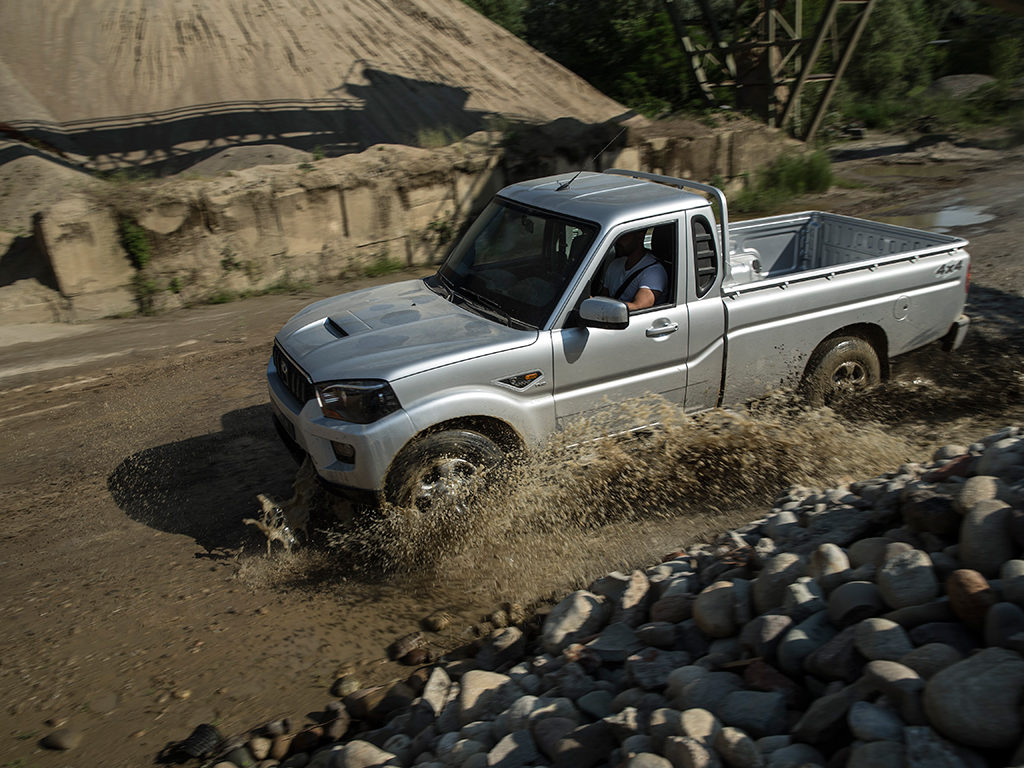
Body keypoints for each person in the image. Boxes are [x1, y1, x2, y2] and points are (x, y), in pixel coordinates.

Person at [601, 229, 668, 311]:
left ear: (640, 237)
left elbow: (639, 306)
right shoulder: (615, 264)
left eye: (623, 236)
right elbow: (604, 296)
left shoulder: (654, 272)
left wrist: (602, 307)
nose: (617, 241)